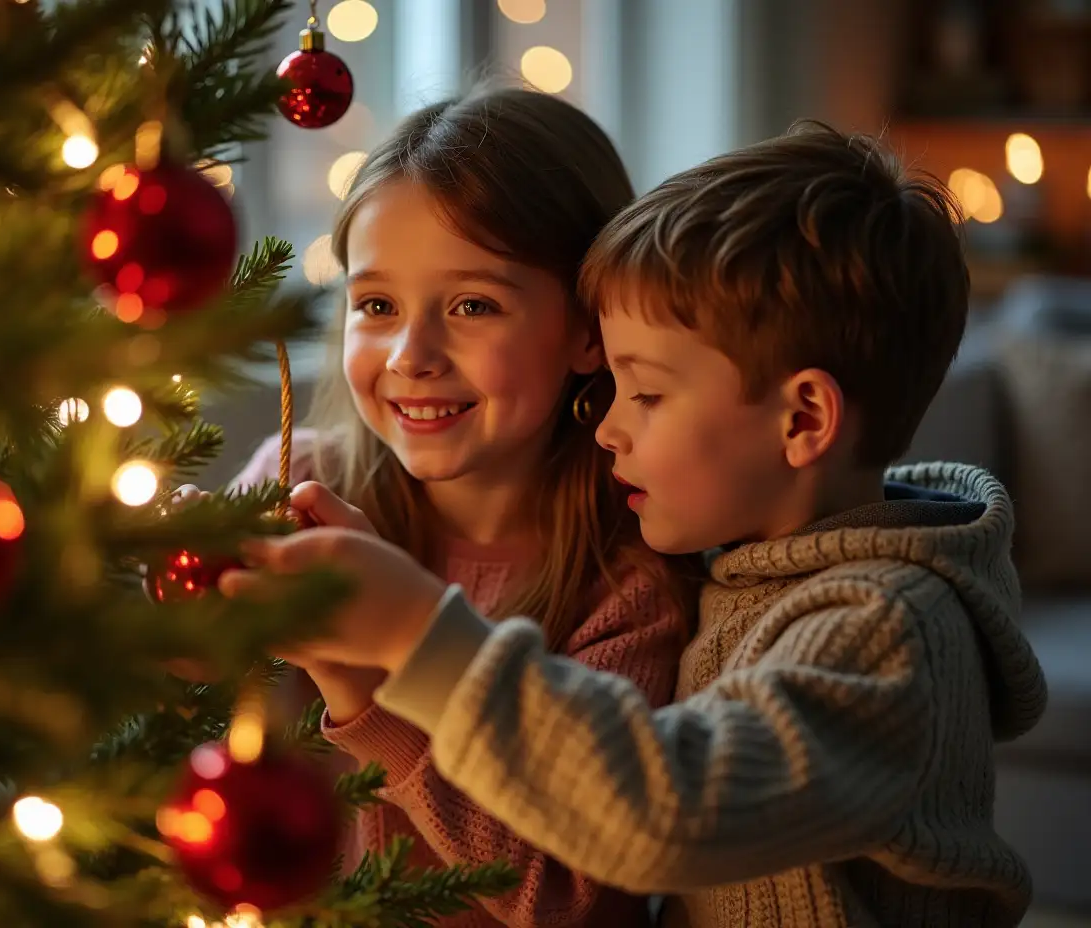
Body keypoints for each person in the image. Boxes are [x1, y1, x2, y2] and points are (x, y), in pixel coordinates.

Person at [221, 123, 1049, 928]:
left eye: (645, 394)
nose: (608, 427)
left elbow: (666, 814)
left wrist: (415, 635)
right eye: (373, 300)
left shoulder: (886, 634)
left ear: (802, 418)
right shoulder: (751, 567)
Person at [227, 85, 691, 927]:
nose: (412, 355)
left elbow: (569, 902)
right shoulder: (299, 479)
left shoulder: (629, 584)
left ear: (590, 331)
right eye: (377, 306)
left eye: (472, 305)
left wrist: (358, 676)